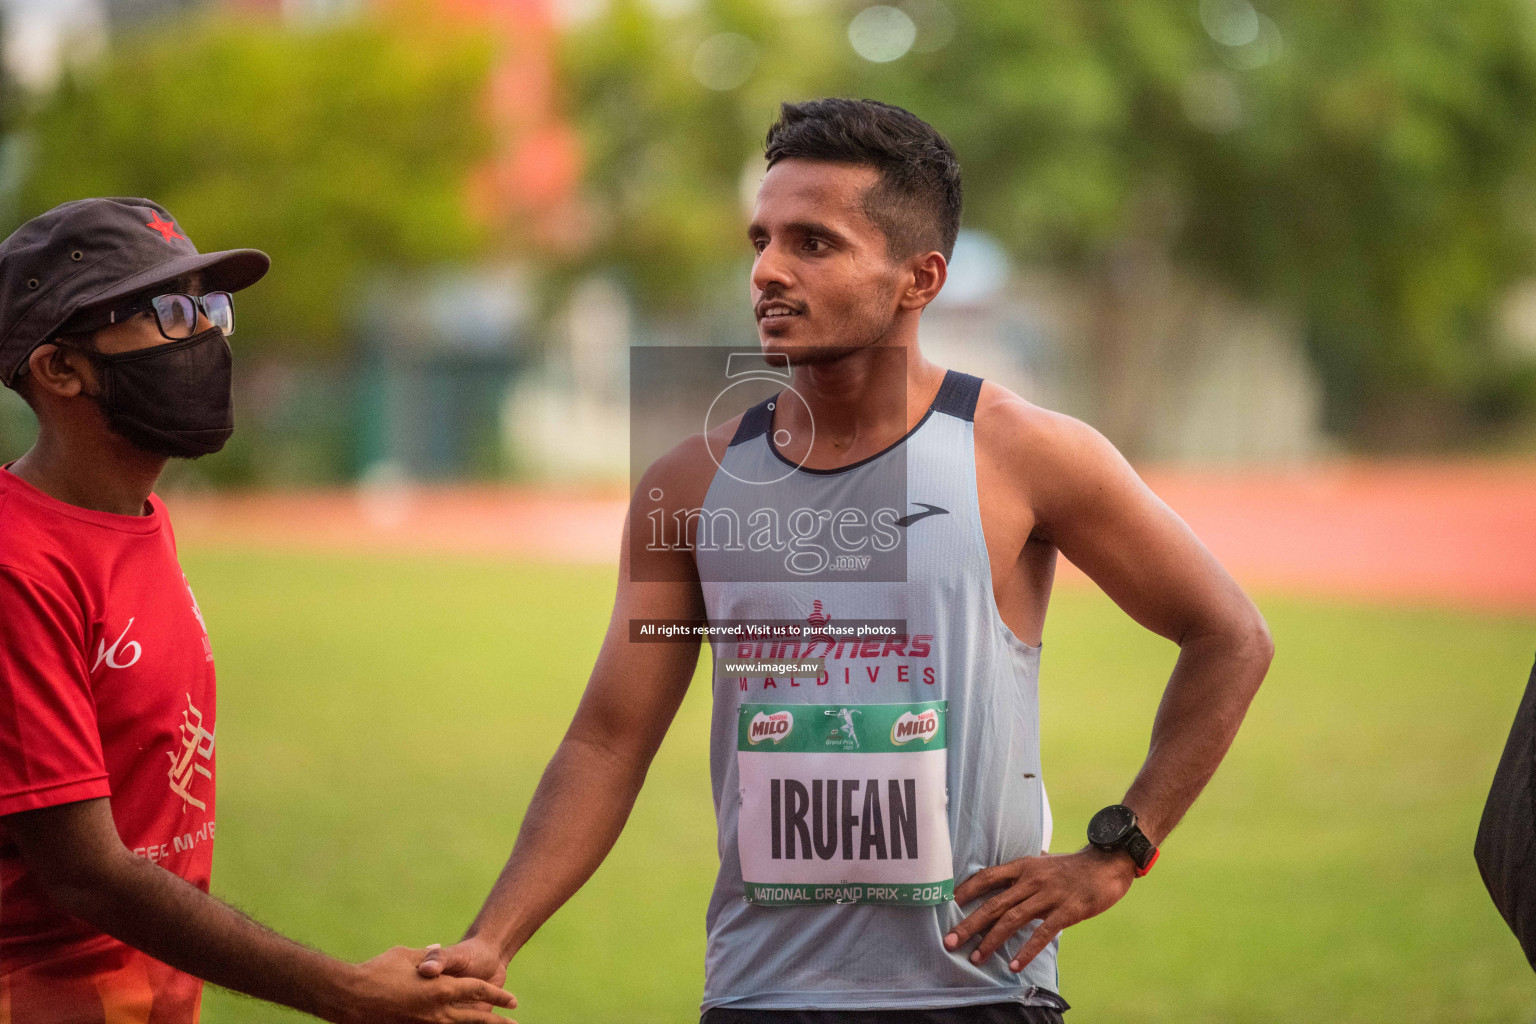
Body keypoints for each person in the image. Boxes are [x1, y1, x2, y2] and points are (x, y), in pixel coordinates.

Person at [420, 98, 1274, 1021]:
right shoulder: (692, 480)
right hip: (758, 992)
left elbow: (1229, 634)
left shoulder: (1025, 454)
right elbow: (607, 740)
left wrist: (1119, 850)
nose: (768, 272)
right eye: (761, 240)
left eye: (813, 244)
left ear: (919, 278)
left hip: (978, 992)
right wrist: (490, 941)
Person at [0, 198, 515, 1023]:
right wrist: (343, 990)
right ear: (60, 369)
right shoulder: (17, 562)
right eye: (170, 313)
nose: (205, 336)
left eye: (211, 307)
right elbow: (87, 871)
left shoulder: (141, 518)